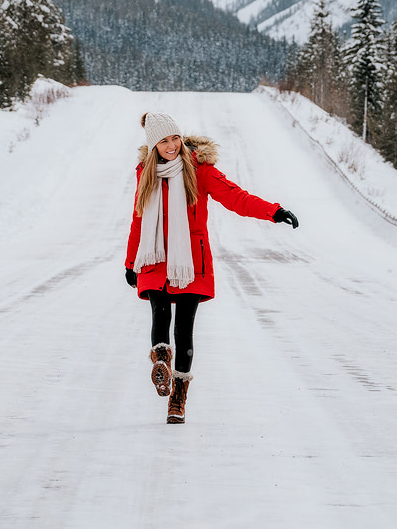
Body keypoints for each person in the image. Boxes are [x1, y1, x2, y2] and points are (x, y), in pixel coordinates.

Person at [124, 110, 299, 424]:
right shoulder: (146, 173)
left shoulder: (199, 170)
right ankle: (161, 362)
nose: (172, 145)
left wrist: (274, 212)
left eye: (175, 137)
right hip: (154, 258)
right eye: (163, 141)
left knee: (184, 329)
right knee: (160, 313)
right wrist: (130, 262)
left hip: (191, 261)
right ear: (153, 145)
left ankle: (178, 398)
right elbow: (139, 218)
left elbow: (235, 197)